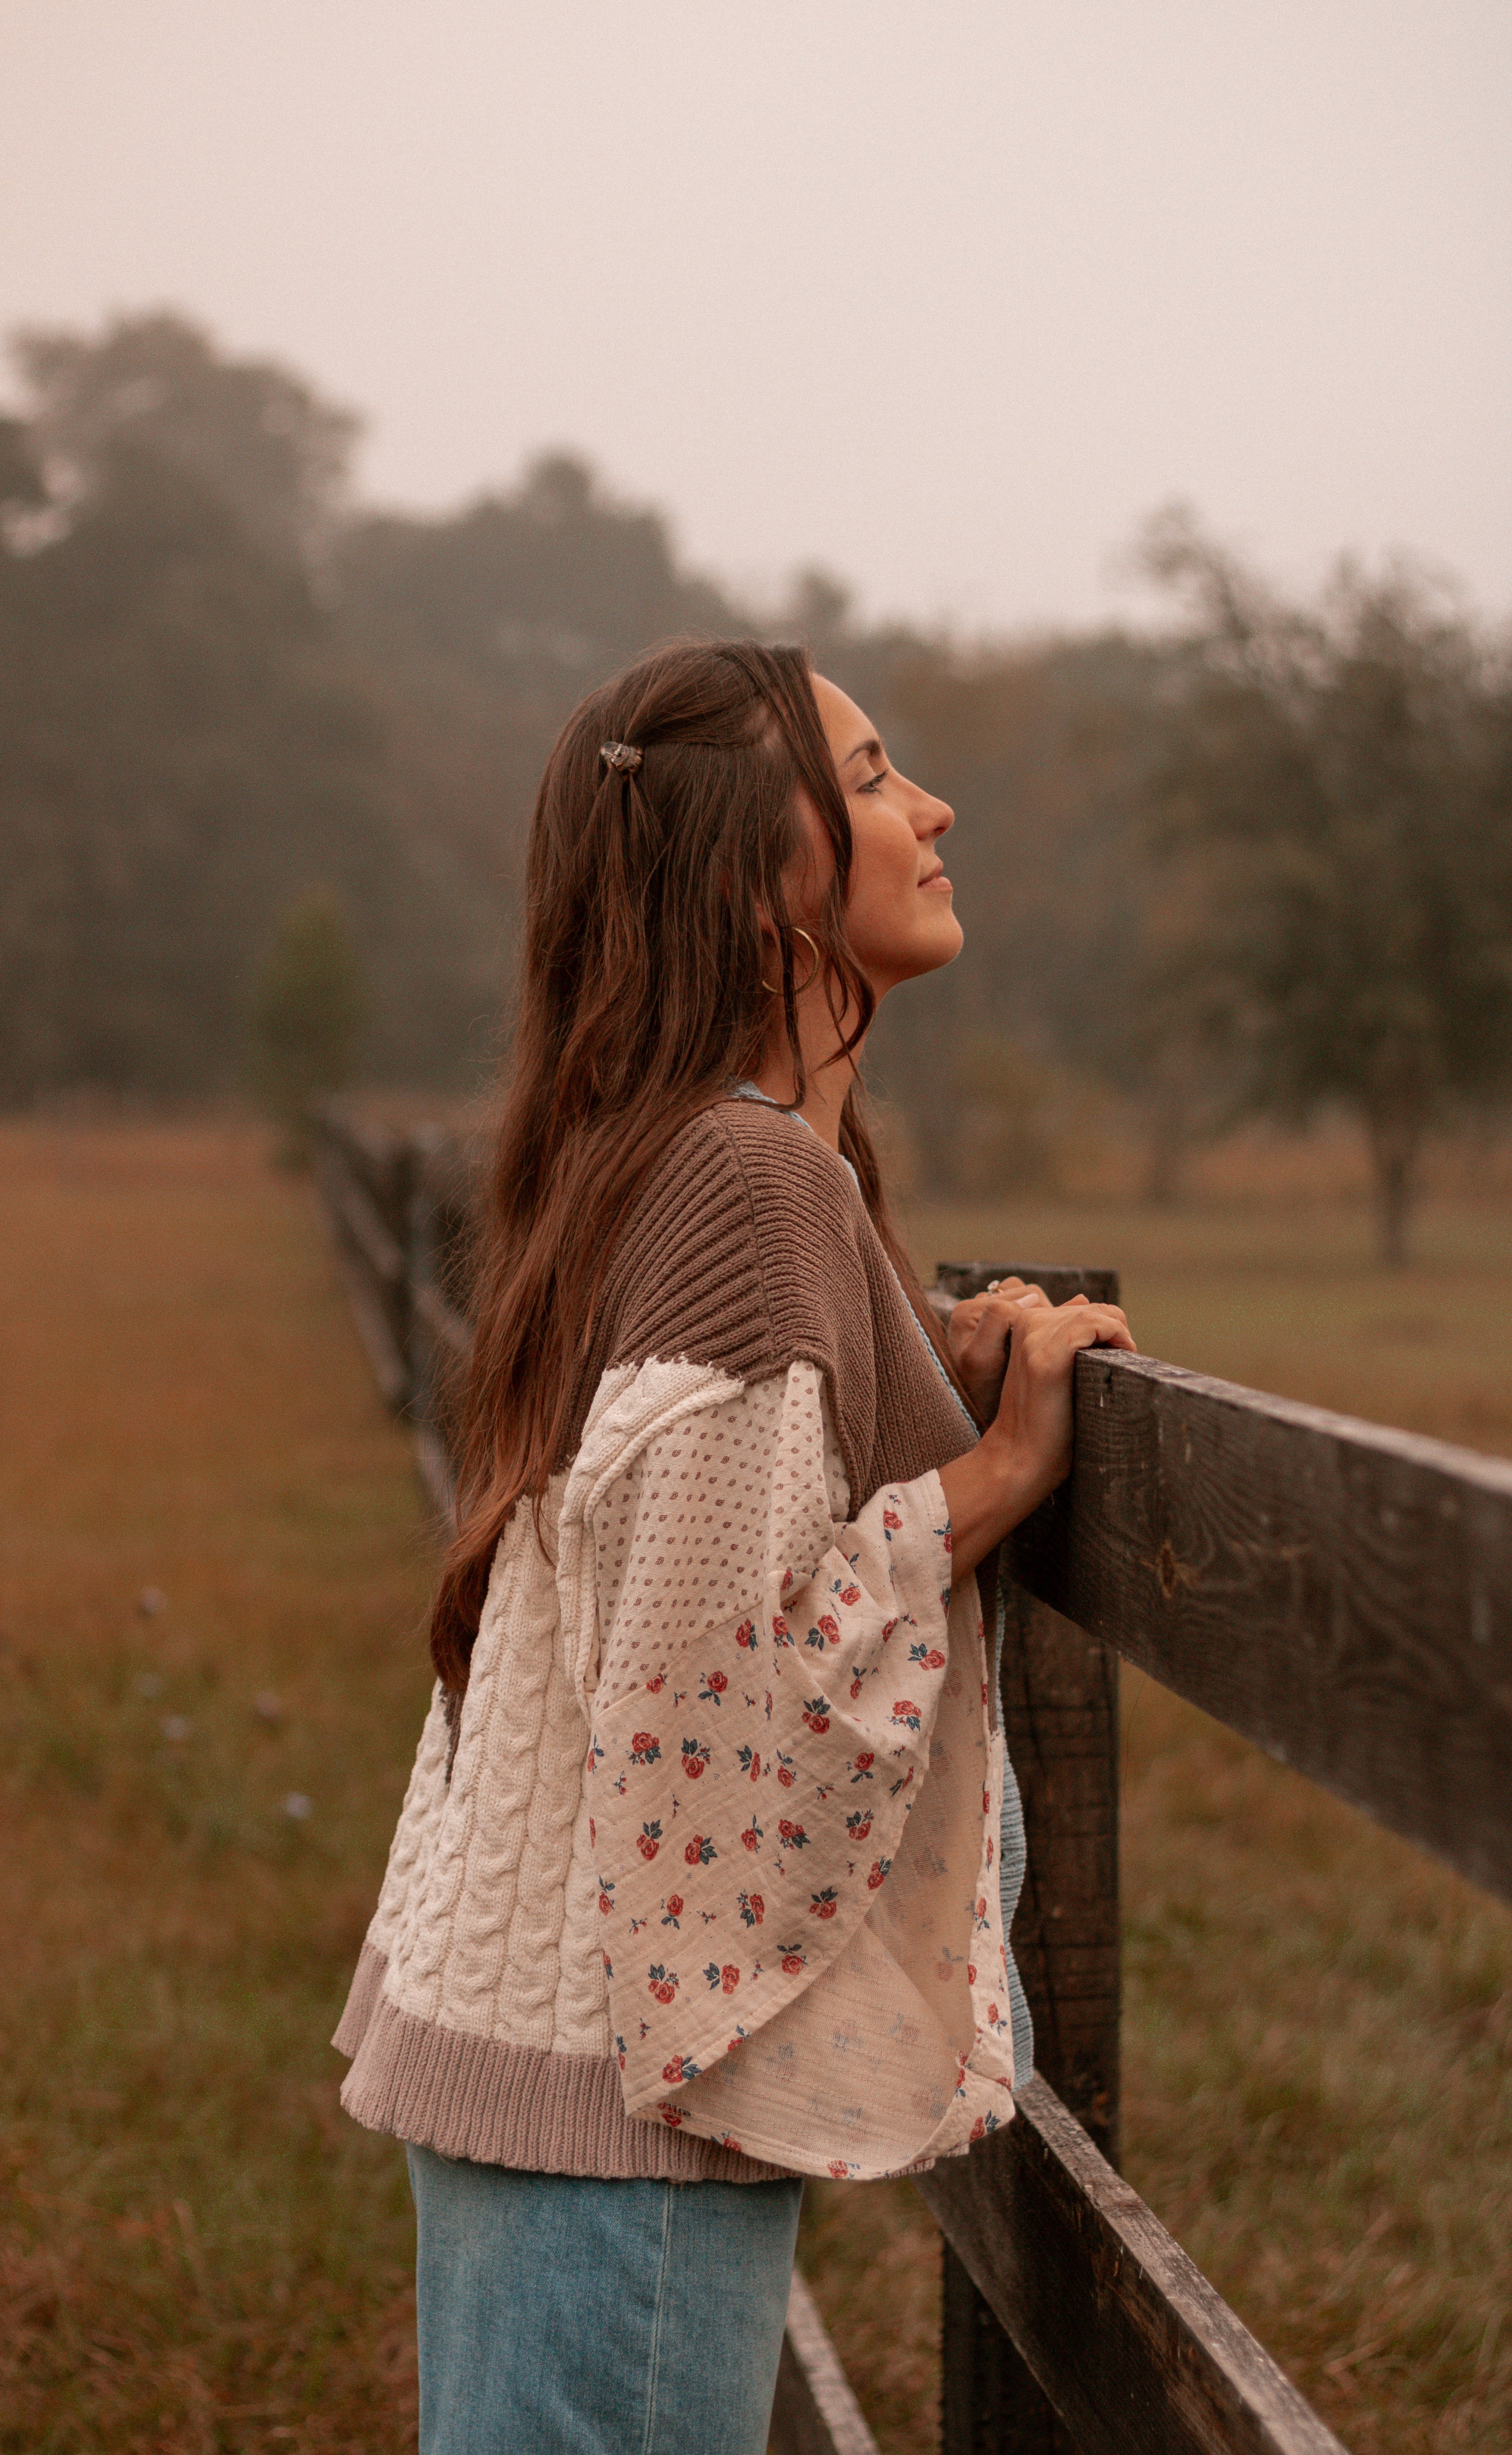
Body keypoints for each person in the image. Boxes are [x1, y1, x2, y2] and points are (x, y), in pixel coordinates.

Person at [332, 638, 1136, 2454]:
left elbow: (702, 1517)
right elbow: (719, 1682)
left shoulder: (694, 1156)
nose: (933, 810)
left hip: (554, 2063)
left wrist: (929, 1378)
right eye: (870, 779)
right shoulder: (747, 1182)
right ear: (754, 883)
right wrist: (1003, 1472)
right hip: (618, 2112)